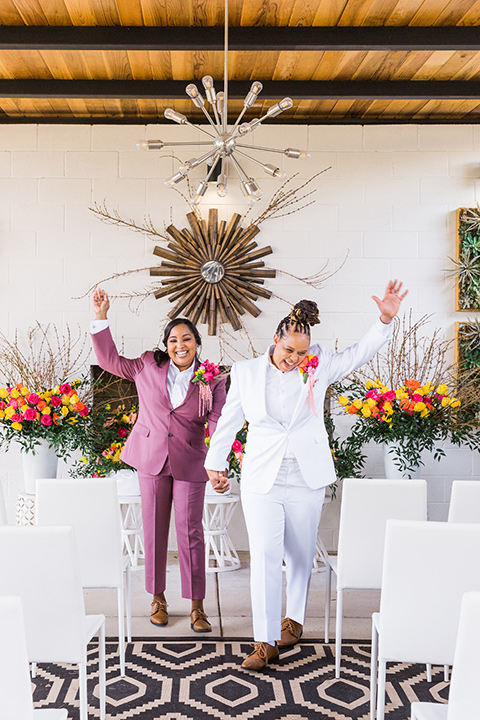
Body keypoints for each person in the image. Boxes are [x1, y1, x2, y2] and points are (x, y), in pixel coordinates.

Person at [205, 280, 407, 669]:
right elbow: (228, 421)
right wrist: (217, 463)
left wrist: (383, 320)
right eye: (287, 351)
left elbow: (359, 353)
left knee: (299, 556)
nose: (293, 359)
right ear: (275, 339)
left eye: (300, 353)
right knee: (264, 554)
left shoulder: (320, 364)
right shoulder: (246, 372)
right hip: (262, 477)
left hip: (306, 477)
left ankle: (293, 620)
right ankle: (264, 642)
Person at [91, 288, 227, 632]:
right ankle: (158, 599)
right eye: (173, 340)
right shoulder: (147, 365)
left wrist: (218, 464)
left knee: (191, 532)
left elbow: (218, 422)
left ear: (196, 342)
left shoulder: (213, 378)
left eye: (186, 339)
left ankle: (197, 606)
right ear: (165, 345)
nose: (179, 345)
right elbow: (110, 361)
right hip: (151, 458)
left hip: (191, 461)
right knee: (154, 530)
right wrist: (101, 318)